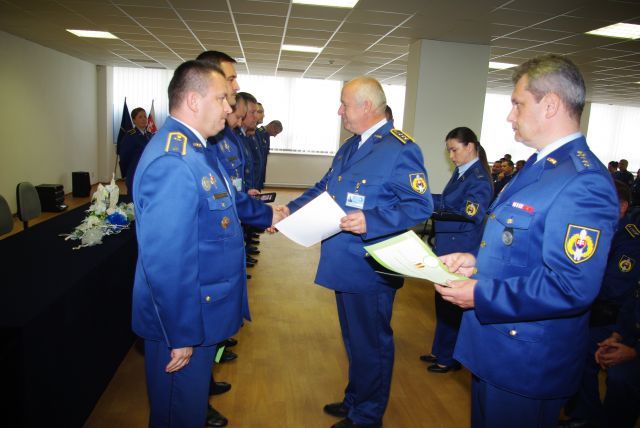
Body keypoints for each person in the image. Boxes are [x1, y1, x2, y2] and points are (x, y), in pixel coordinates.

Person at [435, 54, 618, 428]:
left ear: (550, 105)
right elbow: (521, 246)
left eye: (517, 104)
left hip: (527, 359)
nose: (510, 116)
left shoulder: (583, 181)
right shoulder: (540, 166)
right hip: (499, 347)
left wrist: (481, 293)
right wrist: (476, 262)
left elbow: (571, 285)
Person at [131, 60, 282, 428]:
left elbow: (226, 200)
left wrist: (268, 215)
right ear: (193, 101)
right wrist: (180, 333)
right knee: (177, 414)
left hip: (201, 311)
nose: (229, 108)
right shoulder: (173, 160)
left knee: (190, 409)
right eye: (221, 99)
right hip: (183, 321)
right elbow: (167, 261)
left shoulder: (198, 150)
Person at [282, 76, 433, 428]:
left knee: (372, 343)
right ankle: (356, 399)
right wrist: (288, 210)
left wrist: (372, 220)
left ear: (367, 106)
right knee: (354, 339)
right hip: (344, 263)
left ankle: (367, 416)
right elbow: (324, 188)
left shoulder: (400, 149)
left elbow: (419, 205)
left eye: (344, 104)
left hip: (371, 266)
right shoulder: (352, 146)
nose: (340, 111)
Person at [560, 180, 640, 428]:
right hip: (599, 309)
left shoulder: (629, 239)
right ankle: (577, 406)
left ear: (622, 207)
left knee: (580, 347)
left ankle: (587, 415)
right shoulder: (600, 230)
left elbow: (615, 288)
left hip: (610, 314)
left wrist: (574, 289)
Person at [420, 127, 493, 373]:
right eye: (449, 151)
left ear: (470, 146)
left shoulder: (478, 177)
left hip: (461, 247)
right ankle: (439, 350)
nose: (451, 156)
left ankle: (448, 358)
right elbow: (449, 202)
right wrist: (427, 200)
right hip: (449, 244)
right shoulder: (463, 172)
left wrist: (429, 205)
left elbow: (470, 213)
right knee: (443, 301)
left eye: (454, 150)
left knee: (452, 305)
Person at [595, 281, 640, 428]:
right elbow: (630, 310)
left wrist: (634, 352)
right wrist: (616, 337)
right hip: (633, 340)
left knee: (622, 377)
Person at [119, 107, 153, 195]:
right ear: (134, 121)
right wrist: (128, 173)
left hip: (148, 175)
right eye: (140, 117)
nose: (144, 119)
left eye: (145, 116)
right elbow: (124, 157)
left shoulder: (150, 136)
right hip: (134, 174)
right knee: (133, 199)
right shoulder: (130, 136)